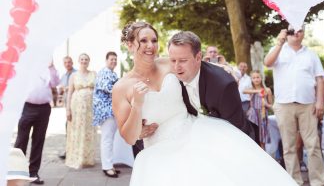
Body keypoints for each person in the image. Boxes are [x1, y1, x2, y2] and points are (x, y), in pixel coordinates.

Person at [112, 21, 296, 186]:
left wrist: (223, 68)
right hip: (159, 147)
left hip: (194, 131)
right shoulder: (121, 88)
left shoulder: (168, 63)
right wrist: (137, 105)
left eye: (154, 40)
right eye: (143, 41)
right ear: (129, 44)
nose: (150, 46)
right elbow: (128, 137)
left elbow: (197, 63)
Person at [264, 24, 324, 186]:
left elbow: (320, 79)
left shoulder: (311, 54)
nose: (296, 34)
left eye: (300, 31)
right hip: (284, 105)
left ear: (304, 34)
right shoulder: (278, 49)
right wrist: (279, 42)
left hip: (308, 104)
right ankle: (293, 181)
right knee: (288, 147)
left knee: (313, 145)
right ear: (287, 32)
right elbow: (267, 63)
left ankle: (318, 182)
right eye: (292, 30)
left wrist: (320, 101)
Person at [14, 62, 60, 185]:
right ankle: (17, 172)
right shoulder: (25, 67)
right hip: (27, 107)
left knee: (38, 141)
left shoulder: (48, 70)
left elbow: (55, 83)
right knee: (21, 141)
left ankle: (33, 173)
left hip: (44, 108)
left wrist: (51, 67)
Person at [296, 64, 324, 172]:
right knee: (298, 144)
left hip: (316, 120)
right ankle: (297, 168)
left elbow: (323, 107)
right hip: (303, 116)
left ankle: (318, 171)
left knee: (317, 146)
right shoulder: (314, 82)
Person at [65, 53, 96, 169]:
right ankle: (76, 157)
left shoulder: (93, 74)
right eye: (82, 59)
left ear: (89, 61)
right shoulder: (73, 75)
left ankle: (87, 158)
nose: (84, 61)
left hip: (89, 108)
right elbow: (69, 93)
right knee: (77, 131)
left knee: (88, 132)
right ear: (79, 61)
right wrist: (68, 109)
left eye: (86, 59)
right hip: (77, 107)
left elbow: (97, 91)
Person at [92, 51, 120, 178]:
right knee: (107, 139)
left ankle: (110, 164)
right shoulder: (104, 73)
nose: (113, 61)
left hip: (111, 110)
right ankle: (107, 167)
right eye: (111, 59)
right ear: (106, 60)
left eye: (115, 59)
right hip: (106, 111)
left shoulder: (112, 73)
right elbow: (110, 89)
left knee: (109, 139)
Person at [243, 70, 273, 150]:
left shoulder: (267, 90)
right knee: (254, 135)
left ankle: (263, 152)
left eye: (258, 77)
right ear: (251, 79)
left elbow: (271, 105)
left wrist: (267, 104)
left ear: (261, 78)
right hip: (253, 115)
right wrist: (258, 91)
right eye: (254, 78)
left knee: (262, 137)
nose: (256, 79)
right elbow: (244, 91)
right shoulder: (251, 89)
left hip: (263, 114)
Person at [57, 56, 76, 160]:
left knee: (73, 127)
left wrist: (68, 88)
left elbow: (75, 86)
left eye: (69, 62)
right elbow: (62, 89)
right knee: (68, 127)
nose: (67, 64)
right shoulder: (63, 76)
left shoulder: (76, 74)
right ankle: (69, 149)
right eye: (65, 62)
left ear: (72, 62)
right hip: (67, 104)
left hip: (77, 104)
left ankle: (72, 151)